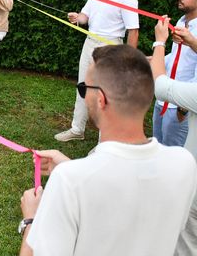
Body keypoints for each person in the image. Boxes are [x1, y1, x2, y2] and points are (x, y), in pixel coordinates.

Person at [19, 44, 197, 256]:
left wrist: (32, 220)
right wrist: (72, 167)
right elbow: (132, 188)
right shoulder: (183, 164)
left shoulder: (69, 181)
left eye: (84, 88)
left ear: (101, 99)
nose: (84, 96)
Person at [55, 0, 139, 142]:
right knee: (83, 86)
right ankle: (77, 129)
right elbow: (86, 16)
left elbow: (133, 31)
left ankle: (104, 141)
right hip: (90, 42)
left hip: (111, 47)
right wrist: (78, 18)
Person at [153, 17, 197, 256]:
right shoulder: (182, 22)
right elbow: (175, 63)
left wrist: (159, 43)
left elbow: (161, 86)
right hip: (167, 103)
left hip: (179, 103)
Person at [151, 0, 197, 147]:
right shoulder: (181, 22)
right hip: (162, 99)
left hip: (181, 104)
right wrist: (153, 59)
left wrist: (183, 107)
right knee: (158, 147)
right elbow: (178, 56)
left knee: (176, 155)